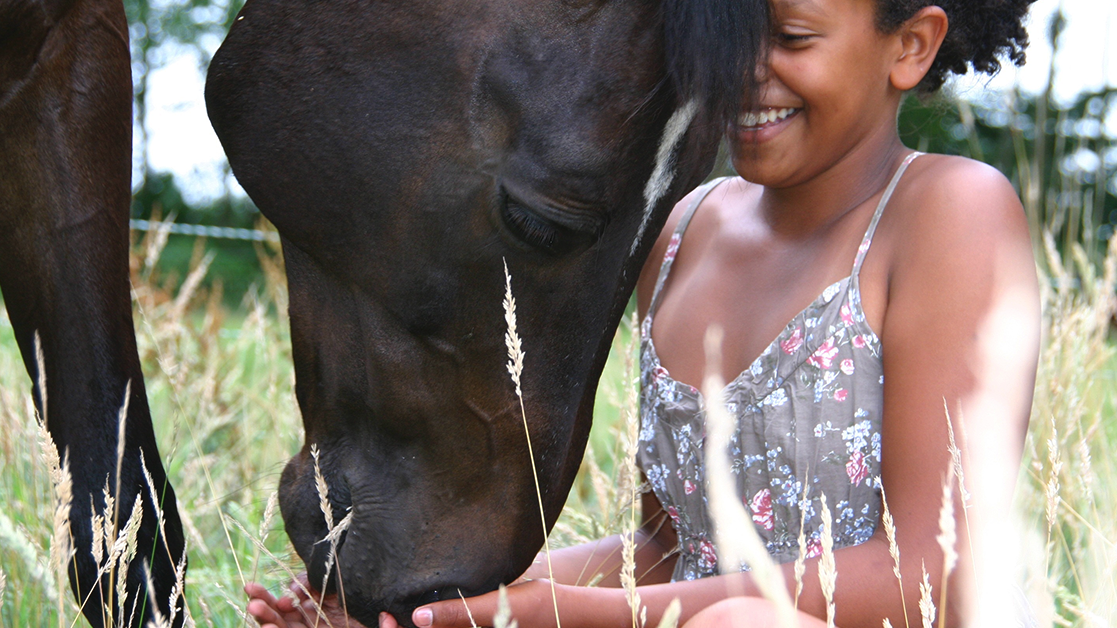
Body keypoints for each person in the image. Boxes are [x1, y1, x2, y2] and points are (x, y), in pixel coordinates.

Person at [246, 0, 1041, 626]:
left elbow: (938, 574)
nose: (743, 72)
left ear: (912, 44)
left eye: (793, 37)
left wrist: (582, 617)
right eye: (723, 39)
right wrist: (436, 612)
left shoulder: (950, 214)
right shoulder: (685, 228)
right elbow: (671, 551)